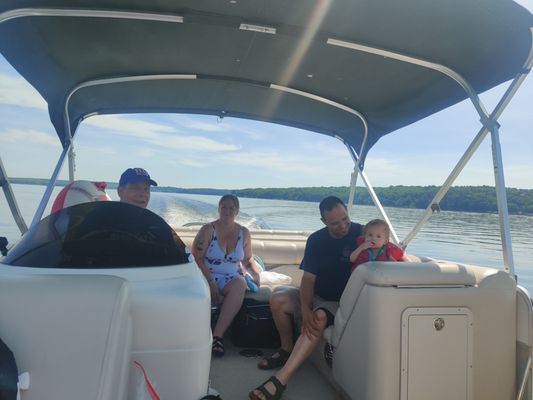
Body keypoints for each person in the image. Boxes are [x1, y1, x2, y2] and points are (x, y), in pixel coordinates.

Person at [249, 196, 363, 400]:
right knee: (278, 299)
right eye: (335, 223)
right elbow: (309, 279)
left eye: (345, 219)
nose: (343, 226)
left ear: (347, 211)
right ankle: (286, 349)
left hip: (341, 301)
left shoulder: (361, 234)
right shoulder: (317, 240)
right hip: (318, 294)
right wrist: (305, 307)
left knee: (318, 317)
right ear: (324, 222)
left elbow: (386, 250)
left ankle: (280, 381)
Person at [192, 194, 261, 358]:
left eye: (232, 208)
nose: (227, 211)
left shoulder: (244, 233)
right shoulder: (208, 230)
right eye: (224, 207)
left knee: (240, 283)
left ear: (237, 211)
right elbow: (197, 258)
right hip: (205, 274)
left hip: (230, 277)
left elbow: (247, 258)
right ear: (219, 209)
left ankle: (217, 337)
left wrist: (256, 274)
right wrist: (210, 282)